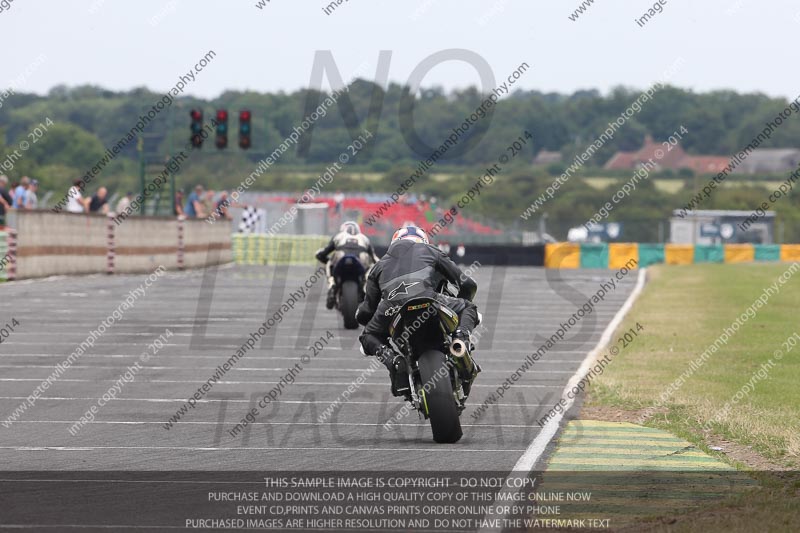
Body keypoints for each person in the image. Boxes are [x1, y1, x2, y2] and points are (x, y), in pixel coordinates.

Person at [356, 225, 480, 397]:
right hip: (429, 298)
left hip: (393, 307)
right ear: (423, 240)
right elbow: (467, 284)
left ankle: (393, 361)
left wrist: (360, 316)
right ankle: (460, 341)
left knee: (367, 336)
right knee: (468, 307)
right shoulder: (430, 250)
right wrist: (461, 302)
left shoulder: (379, 265)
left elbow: (366, 311)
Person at [315, 221, 379, 310]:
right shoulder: (365, 238)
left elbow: (324, 253)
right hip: (361, 261)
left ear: (343, 229)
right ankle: (365, 285)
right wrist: (381, 267)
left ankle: (332, 284)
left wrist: (324, 259)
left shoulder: (338, 236)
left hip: (341, 259)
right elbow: (375, 258)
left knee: (329, 262)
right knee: (372, 265)